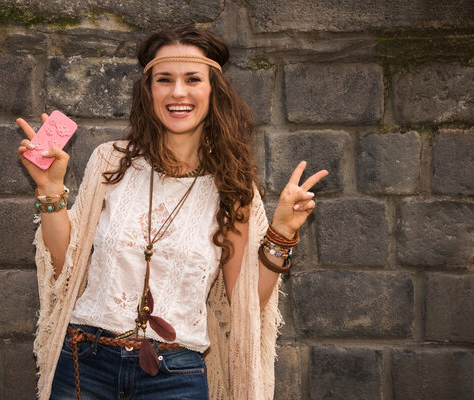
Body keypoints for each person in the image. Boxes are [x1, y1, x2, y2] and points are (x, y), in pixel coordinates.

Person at [17, 25, 327, 400]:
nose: (178, 92)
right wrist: (50, 190)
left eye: (193, 79)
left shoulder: (232, 187)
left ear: (214, 90)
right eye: (164, 79)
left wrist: (280, 233)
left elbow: (245, 300)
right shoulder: (109, 161)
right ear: (149, 91)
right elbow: (67, 266)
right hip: (86, 362)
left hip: (175, 376)